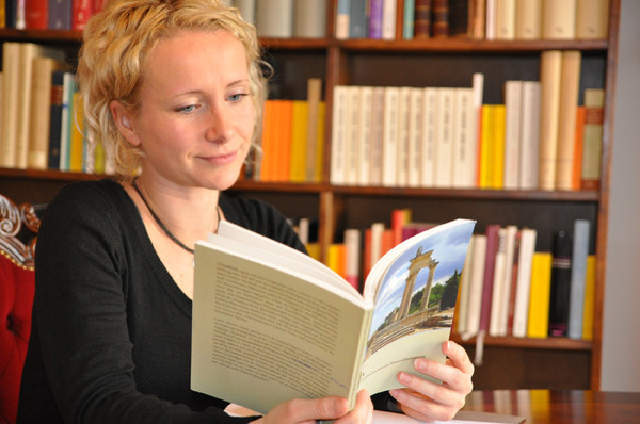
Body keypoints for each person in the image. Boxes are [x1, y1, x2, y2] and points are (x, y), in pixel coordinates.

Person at [17, 0, 474, 422]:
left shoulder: (263, 226)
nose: (223, 129)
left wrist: (412, 390)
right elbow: (99, 406)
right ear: (127, 121)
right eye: (189, 106)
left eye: (236, 96)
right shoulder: (87, 222)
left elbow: (328, 382)